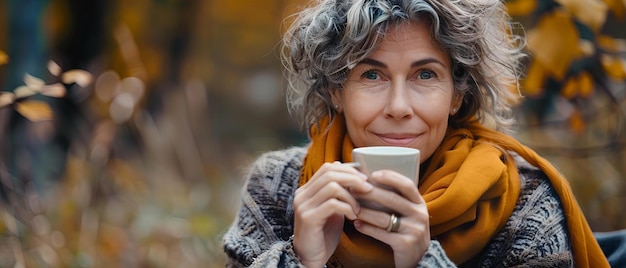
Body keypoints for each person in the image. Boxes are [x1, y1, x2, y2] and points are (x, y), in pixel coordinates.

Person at [222, 0, 611, 267]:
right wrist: (301, 260)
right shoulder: (278, 187)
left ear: (458, 94)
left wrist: (424, 260)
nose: (399, 106)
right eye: (371, 74)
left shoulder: (522, 202)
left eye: (426, 74)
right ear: (337, 91)